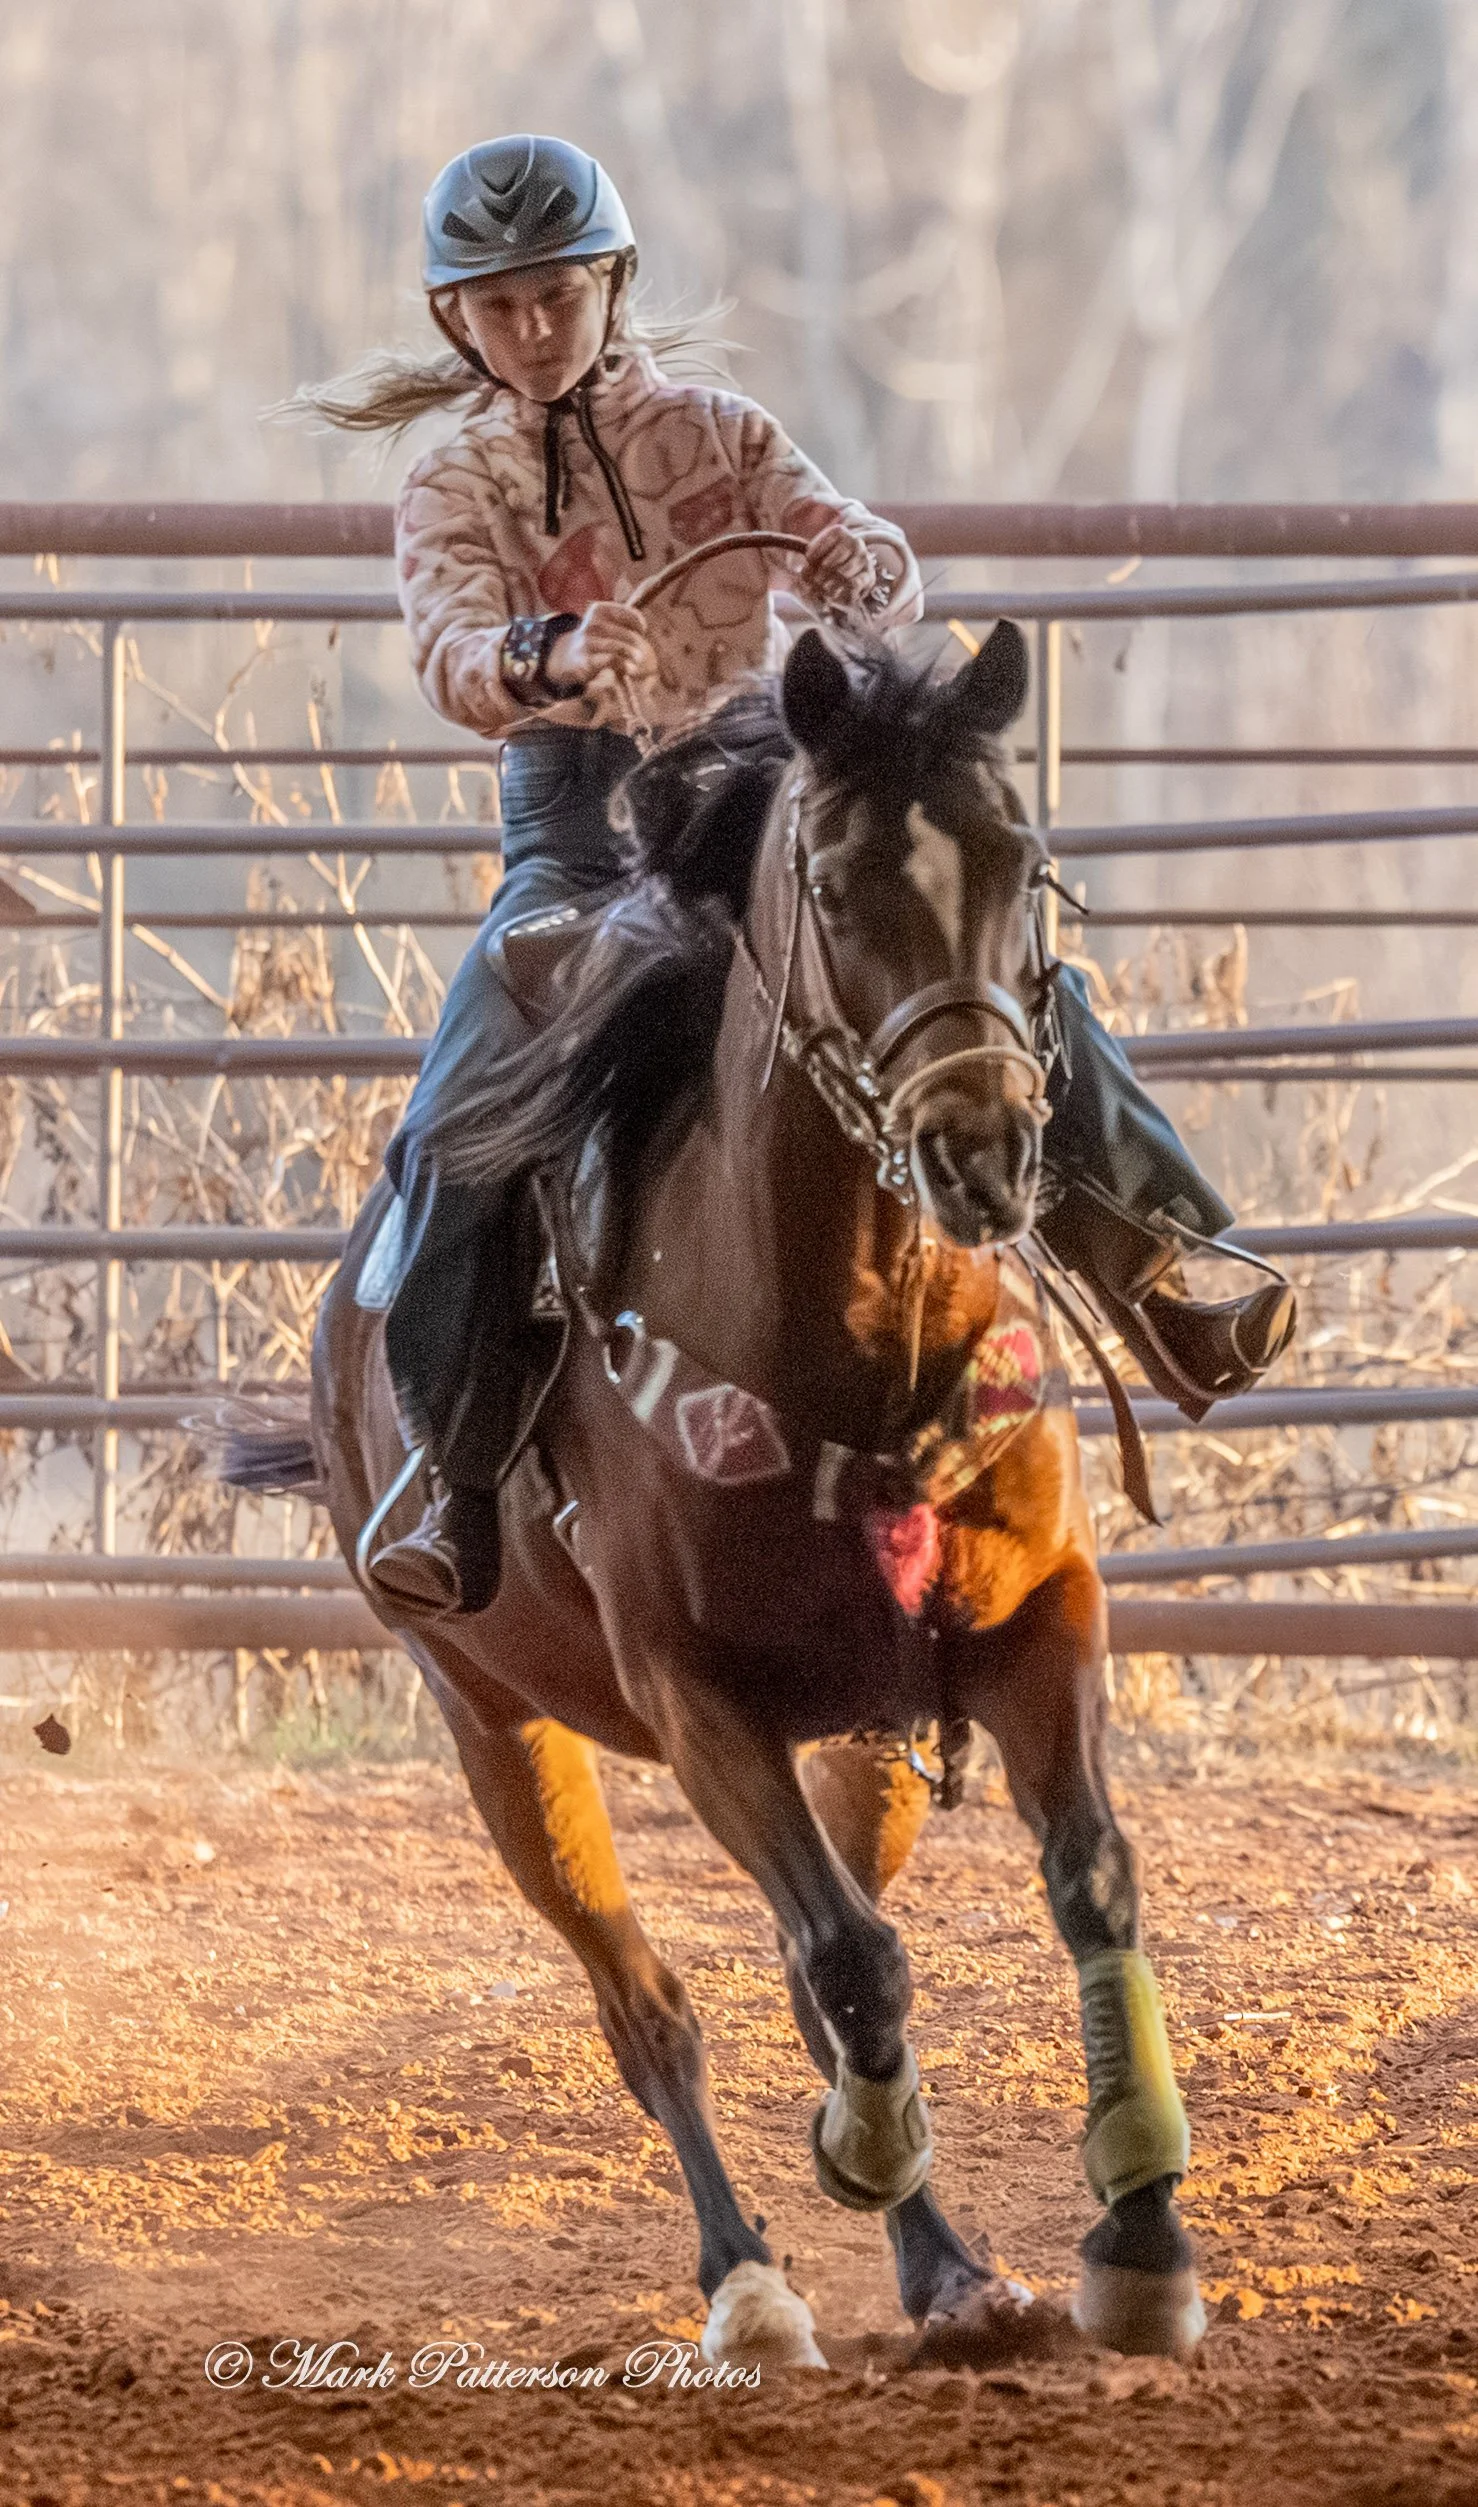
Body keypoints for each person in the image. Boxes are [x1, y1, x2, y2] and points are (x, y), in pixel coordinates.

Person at [302, 133, 1295, 1617]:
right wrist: (546, 653)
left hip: (755, 804)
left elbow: (848, 539)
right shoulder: (453, 481)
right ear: (459, 321)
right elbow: (450, 649)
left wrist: (866, 571)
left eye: (558, 294)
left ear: (611, 286)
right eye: (500, 306)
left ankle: (1159, 1271)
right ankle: (448, 1468)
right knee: (465, 1110)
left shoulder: (720, 431)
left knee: (992, 974)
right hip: (576, 834)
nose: (534, 327)